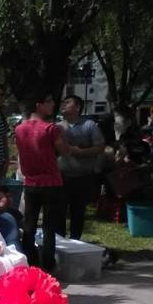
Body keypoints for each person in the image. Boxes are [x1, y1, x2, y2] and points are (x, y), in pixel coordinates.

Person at [15, 91, 69, 270]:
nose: (52, 104)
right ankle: (48, 264)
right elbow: (64, 151)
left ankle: (30, 261)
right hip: (51, 182)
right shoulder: (51, 129)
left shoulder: (19, 129)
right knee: (49, 227)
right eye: (49, 100)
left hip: (30, 182)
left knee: (29, 224)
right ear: (39, 104)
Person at [57, 95, 105, 240]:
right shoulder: (58, 126)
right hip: (61, 176)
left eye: (68, 102)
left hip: (82, 177)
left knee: (77, 213)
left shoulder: (90, 125)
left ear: (77, 107)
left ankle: (75, 242)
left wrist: (81, 152)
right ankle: (59, 243)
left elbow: (100, 147)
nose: (63, 105)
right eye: (63, 102)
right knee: (59, 212)